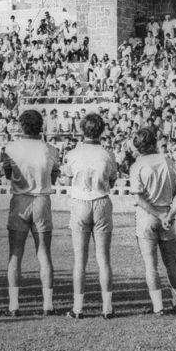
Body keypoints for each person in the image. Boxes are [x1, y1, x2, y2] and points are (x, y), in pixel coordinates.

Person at [1, 110, 60, 317]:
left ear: (21, 126)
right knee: (44, 254)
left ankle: (14, 305)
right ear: (41, 126)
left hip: (20, 200)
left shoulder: (10, 148)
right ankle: (48, 304)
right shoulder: (51, 149)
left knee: (15, 254)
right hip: (42, 200)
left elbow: (8, 174)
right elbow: (54, 177)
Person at [60, 113, 118, 319]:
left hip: (80, 202)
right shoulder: (108, 154)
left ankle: (78, 308)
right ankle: (107, 308)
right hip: (101, 201)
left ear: (82, 129)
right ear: (101, 130)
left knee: (80, 260)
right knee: (103, 259)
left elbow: (67, 177)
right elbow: (112, 181)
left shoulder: (74, 153)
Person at [128, 127, 176, 315]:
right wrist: (169, 214)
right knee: (171, 262)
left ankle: (158, 307)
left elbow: (139, 199)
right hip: (167, 215)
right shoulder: (168, 162)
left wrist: (159, 215)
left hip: (147, 217)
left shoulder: (137, 165)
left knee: (151, 265)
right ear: (154, 142)